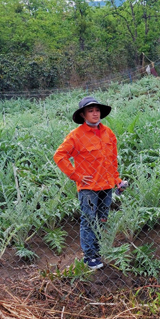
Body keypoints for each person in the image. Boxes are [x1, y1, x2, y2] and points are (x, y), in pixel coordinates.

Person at [54, 96, 127, 270]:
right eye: (90, 111)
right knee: (88, 220)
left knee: (102, 219)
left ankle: (98, 250)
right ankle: (89, 256)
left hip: (107, 185)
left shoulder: (108, 133)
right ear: (83, 115)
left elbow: (112, 160)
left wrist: (117, 180)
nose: (95, 114)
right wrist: (75, 175)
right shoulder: (76, 136)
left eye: (97, 110)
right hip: (88, 188)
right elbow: (59, 156)